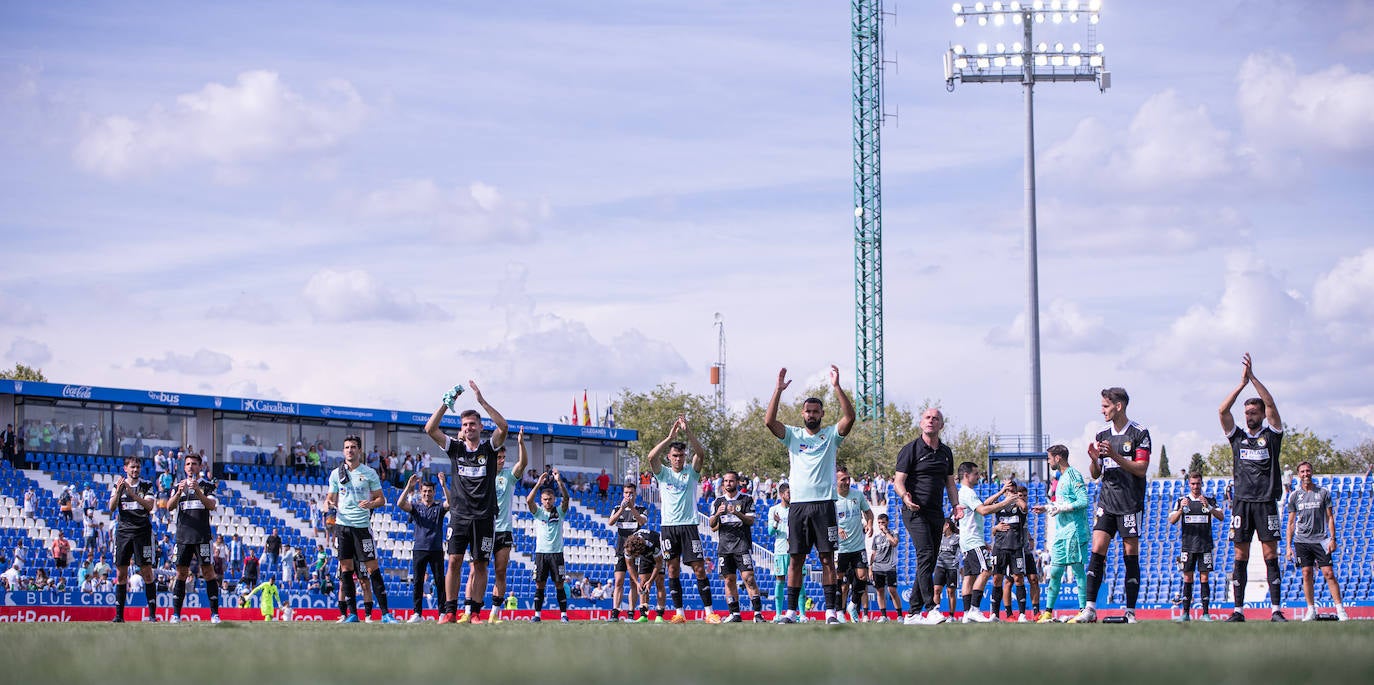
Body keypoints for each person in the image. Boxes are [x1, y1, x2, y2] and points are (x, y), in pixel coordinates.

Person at [764, 365, 856, 625]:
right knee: (796, 559)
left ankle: (830, 612)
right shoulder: (793, 435)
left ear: (822, 414)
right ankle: (791, 612)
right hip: (799, 508)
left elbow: (850, 417)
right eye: (808, 411)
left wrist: (837, 387)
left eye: (816, 411)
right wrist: (778, 390)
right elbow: (769, 422)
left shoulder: (830, 436)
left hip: (825, 506)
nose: (812, 414)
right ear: (802, 414)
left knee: (827, 559)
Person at [425, 380, 508, 624]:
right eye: (465, 424)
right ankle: (450, 611)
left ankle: (474, 613)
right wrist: (445, 403)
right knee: (454, 561)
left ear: (481, 426)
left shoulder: (490, 448)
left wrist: (482, 401)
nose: (469, 427)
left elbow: (503, 426)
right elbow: (430, 429)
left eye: (473, 423)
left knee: (481, 565)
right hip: (459, 515)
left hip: (484, 516)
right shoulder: (456, 448)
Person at [1071, 386, 1151, 624]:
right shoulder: (1101, 434)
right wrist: (1095, 459)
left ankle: (1130, 612)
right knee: (1097, 550)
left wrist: (1115, 456)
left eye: (1106, 406)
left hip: (1130, 503)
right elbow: (1096, 474)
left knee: (1130, 554)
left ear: (1119, 406)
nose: (1102, 410)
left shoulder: (1140, 433)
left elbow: (1141, 469)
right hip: (1106, 501)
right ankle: (1090, 608)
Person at [1219, 353, 1287, 622]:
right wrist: (1240, 384)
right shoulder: (1237, 438)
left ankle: (1276, 610)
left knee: (1270, 555)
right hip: (1242, 502)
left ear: (1261, 415)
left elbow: (1270, 402)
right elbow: (1222, 411)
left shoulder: (1272, 436)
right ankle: (1238, 610)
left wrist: (1254, 378)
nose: (1248, 416)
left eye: (1253, 412)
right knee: (1240, 555)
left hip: (1266, 501)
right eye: (1246, 413)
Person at [893, 408, 963, 625]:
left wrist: (956, 505)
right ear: (921, 423)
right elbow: (898, 481)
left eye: (936, 418)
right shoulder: (910, 450)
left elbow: (950, 482)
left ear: (941, 425)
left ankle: (913, 613)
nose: (931, 421)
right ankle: (931, 608)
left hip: (936, 513)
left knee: (930, 560)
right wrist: (905, 497)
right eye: (927, 417)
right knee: (925, 555)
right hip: (914, 511)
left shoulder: (946, 452)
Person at [649, 415, 718, 623]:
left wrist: (687, 432)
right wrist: (669, 436)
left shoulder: (691, 473)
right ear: (669, 457)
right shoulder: (663, 474)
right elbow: (651, 457)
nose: (678, 459)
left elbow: (701, 453)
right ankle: (679, 613)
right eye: (675, 455)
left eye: (681, 455)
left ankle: (709, 613)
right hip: (669, 528)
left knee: (699, 568)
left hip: (689, 526)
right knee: (672, 569)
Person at [326, 435, 397, 624]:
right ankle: (352, 614)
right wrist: (330, 503)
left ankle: (385, 614)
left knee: (372, 568)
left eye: (353, 447)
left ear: (359, 451)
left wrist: (371, 503)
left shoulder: (369, 473)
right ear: (343, 451)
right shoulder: (336, 474)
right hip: (343, 527)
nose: (350, 450)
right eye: (347, 447)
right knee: (346, 569)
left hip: (362, 528)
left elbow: (381, 500)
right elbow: (330, 498)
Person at [1286, 461, 1349, 621]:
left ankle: (1340, 609)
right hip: (1302, 541)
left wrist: (1333, 539)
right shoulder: (1294, 495)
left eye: (1308, 471)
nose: (1305, 474)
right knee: (1306, 574)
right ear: (1298, 475)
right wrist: (1288, 546)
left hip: (1321, 540)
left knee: (1329, 573)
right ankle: (1311, 609)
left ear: (1311, 472)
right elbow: (1291, 523)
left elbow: (1330, 518)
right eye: (1302, 471)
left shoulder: (1323, 493)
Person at [1036, 444, 1091, 623]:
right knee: (1056, 571)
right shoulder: (1060, 478)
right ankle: (1048, 613)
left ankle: (1084, 611)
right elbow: (1063, 504)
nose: (1048, 461)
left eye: (1049, 458)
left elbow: (1084, 501)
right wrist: (1047, 508)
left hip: (1075, 531)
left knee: (1077, 571)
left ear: (1058, 457)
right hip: (1062, 533)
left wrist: (1062, 507)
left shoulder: (1073, 475)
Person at [167, 452, 223, 624]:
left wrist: (197, 491)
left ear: (200, 467)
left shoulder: (207, 485)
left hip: (202, 536)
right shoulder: (178, 485)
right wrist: (178, 493)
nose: (191, 467)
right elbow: (169, 507)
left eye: (194, 464)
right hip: (183, 537)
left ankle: (214, 614)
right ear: (184, 467)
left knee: (208, 572)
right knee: (181, 573)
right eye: (188, 464)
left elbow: (212, 505)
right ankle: (176, 614)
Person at [956, 462, 1014, 623]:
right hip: (973, 540)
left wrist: (1001, 492)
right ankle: (974, 609)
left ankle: (967, 613)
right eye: (975, 474)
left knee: (969, 576)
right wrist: (1006, 501)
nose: (978, 476)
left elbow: (984, 504)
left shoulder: (965, 493)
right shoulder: (968, 493)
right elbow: (983, 510)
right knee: (987, 569)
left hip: (968, 540)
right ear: (967, 475)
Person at [484, 427, 528, 624]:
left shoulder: (508, 477)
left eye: (503, 457)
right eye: (498, 457)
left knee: (500, 571)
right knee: (479, 569)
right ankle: (473, 610)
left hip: (504, 531)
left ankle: (494, 612)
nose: (501, 460)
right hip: (485, 529)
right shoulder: (483, 476)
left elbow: (523, 464)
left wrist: (520, 443)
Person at [1168, 471, 1224, 622]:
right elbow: (1171, 520)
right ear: (1189, 484)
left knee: (1204, 578)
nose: (1195, 486)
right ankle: (1185, 613)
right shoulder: (1182, 500)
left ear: (1202, 484)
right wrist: (1180, 509)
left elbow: (1221, 516)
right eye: (1193, 484)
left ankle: (1205, 613)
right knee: (1188, 578)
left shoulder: (1209, 499)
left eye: (1198, 483)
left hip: (1205, 545)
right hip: (1187, 546)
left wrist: (1209, 507)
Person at [709, 470, 764, 623]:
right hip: (724, 547)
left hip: (742, 544)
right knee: (729, 580)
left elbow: (751, 521)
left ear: (737, 482)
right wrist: (717, 514)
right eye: (725, 481)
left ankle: (758, 614)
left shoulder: (746, 499)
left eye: (731, 481)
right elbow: (712, 525)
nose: (728, 484)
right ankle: (735, 614)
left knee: (749, 578)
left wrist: (737, 513)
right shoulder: (718, 501)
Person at [108, 456, 157, 623]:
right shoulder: (118, 485)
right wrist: (120, 491)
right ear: (125, 469)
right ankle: (119, 616)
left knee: (147, 573)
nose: (135, 470)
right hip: (123, 532)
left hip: (142, 532)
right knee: (121, 574)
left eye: (137, 467)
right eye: (132, 467)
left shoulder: (147, 485)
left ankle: (152, 615)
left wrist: (133, 494)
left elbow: (150, 506)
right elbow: (111, 507)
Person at [398, 473, 447, 623]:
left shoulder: (439, 507)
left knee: (440, 582)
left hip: (436, 549)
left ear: (434, 492)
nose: (427, 494)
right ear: (421, 492)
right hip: (419, 549)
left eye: (430, 491)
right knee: (418, 582)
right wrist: (408, 486)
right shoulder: (416, 507)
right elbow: (400, 503)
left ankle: (442, 613)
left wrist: (444, 485)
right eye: (424, 491)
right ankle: (417, 613)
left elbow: (450, 503)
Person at [526, 469, 571, 622]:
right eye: (545, 499)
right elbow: (528, 501)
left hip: (557, 553)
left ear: (553, 499)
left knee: (559, 584)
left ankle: (564, 615)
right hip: (541, 553)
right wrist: (538, 483)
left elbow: (566, 498)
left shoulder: (559, 512)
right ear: (542, 500)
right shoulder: (538, 513)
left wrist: (559, 482)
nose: (547, 502)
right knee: (540, 584)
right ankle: (537, 615)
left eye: (550, 499)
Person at [833, 465, 873, 623]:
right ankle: (839, 612)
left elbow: (868, 512)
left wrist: (870, 523)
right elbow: (825, 521)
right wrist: (837, 528)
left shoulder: (857, 495)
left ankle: (853, 604)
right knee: (841, 582)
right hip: (840, 548)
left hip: (858, 545)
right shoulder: (832, 498)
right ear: (835, 481)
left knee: (862, 577)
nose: (847, 481)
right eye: (843, 479)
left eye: (848, 478)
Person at [990, 480, 1030, 622]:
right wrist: (1001, 493)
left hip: (1016, 547)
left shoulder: (1018, 504)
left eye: (1012, 491)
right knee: (997, 579)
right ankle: (994, 614)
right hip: (999, 547)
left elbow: (1025, 507)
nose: (1010, 493)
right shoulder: (1000, 506)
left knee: (1018, 578)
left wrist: (1015, 497)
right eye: (1008, 490)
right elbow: (985, 505)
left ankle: (1022, 614)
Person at [608, 482, 648, 622]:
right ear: (623, 494)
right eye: (626, 493)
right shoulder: (617, 508)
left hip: (635, 552)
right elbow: (610, 522)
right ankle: (615, 613)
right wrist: (622, 510)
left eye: (631, 493)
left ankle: (631, 612)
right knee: (618, 581)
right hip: (620, 550)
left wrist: (632, 509)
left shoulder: (641, 508)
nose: (628, 495)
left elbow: (642, 522)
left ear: (635, 494)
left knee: (633, 581)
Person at [624, 528, 667, 623]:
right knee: (642, 583)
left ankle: (659, 614)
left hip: (658, 552)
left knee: (659, 581)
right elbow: (629, 565)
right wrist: (636, 583)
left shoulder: (652, 544)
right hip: (645, 555)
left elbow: (658, 564)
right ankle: (643, 615)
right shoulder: (628, 547)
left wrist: (650, 581)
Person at [766, 483, 793, 622]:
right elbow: (770, 532)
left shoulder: (795, 509)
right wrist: (776, 523)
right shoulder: (774, 510)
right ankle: (777, 614)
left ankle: (801, 614)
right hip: (781, 550)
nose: (791, 495)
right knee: (780, 580)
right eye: (789, 493)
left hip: (795, 550)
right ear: (782, 494)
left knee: (798, 580)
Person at [868, 513, 901, 622]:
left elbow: (894, 543)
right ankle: (883, 615)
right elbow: (873, 553)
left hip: (890, 566)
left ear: (887, 522)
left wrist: (886, 532)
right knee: (880, 591)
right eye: (879, 523)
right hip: (877, 567)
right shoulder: (876, 538)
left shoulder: (894, 533)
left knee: (892, 590)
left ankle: (900, 615)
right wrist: (870, 567)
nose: (881, 524)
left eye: (883, 522)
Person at [932, 519, 960, 619]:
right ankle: (935, 613)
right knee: (936, 590)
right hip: (940, 566)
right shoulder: (939, 537)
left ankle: (951, 616)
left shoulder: (957, 538)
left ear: (947, 525)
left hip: (952, 568)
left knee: (951, 592)